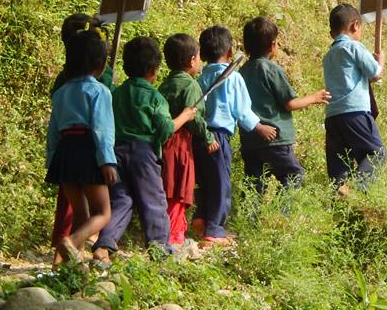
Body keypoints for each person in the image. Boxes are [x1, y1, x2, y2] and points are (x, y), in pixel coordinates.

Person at [93, 37, 196, 262]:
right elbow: (166, 129)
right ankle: (160, 252)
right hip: (143, 154)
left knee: (122, 200)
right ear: (153, 70)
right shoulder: (154, 97)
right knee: (153, 201)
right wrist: (185, 116)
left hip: (116, 152)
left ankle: (104, 245)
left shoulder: (117, 93)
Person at [193, 25, 277, 244]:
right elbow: (241, 110)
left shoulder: (200, 79)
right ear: (230, 52)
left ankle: (201, 217)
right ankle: (214, 229)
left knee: (204, 179)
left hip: (200, 136)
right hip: (219, 137)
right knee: (221, 183)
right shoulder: (233, 77)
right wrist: (259, 127)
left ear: (201, 55)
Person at [45, 29, 117, 263]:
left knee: (81, 216)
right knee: (103, 213)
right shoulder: (99, 91)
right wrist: (107, 160)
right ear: (100, 64)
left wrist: (52, 161)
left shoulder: (61, 93)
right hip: (88, 150)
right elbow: (101, 128)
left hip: (65, 152)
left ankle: (62, 265)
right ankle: (70, 244)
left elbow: (53, 132)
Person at [240, 17, 331, 191]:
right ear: (272, 45)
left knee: (254, 185)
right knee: (293, 174)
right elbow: (290, 103)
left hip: (250, 140)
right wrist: (314, 97)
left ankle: (252, 217)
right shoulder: (271, 69)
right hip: (275, 139)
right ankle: (283, 214)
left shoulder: (241, 72)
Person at [159, 33, 218, 247]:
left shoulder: (164, 84)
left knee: (166, 187)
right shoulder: (191, 86)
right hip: (181, 144)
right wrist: (208, 137)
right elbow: (195, 118)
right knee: (178, 189)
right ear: (192, 60)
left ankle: (167, 231)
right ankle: (173, 236)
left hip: (162, 143)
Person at [323, 4, 385, 190]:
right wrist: (380, 60)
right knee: (376, 153)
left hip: (333, 115)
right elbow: (374, 73)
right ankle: (356, 189)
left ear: (332, 32)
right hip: (355, 112)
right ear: (355, 25)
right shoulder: (354, 47)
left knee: (339, 168)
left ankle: (341, 197)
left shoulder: (329, 55)